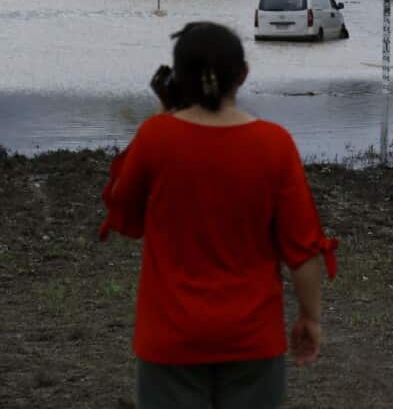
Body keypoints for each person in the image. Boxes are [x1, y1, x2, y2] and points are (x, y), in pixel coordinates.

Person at [99, 22, 338, 409]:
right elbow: (303, 248)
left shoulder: (155, 138)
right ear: (242, 75)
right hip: (252, 338)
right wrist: (310, 318)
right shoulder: (275, 145)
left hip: (169, 338)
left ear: (177, 79)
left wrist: (163, 115)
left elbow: (125, 217)